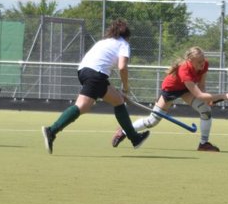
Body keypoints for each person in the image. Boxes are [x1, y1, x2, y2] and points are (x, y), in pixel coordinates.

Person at [42, 18, 150, 154]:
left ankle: (135, 138)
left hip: (84, 71)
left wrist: (119, 92)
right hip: (96, 74)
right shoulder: (123, 44)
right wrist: (126, 88)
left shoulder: (104, 42)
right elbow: (122, 67)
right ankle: (51, 130)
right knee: (82, 106)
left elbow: (101, 66)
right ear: (127, 36)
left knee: (118, 100)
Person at [111, 46, 228, 151]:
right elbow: (199, 95)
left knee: (205, 110)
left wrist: (208, 100)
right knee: (152, 121)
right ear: (190, 61)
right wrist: (223, 96)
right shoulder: (184, 70)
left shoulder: (204, 65)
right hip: (170, 90)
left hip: (187, 90)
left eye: (203, 61)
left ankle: (203, 144)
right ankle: (124, 131)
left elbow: (201, 87)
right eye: (199, 62)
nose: (202, 64)